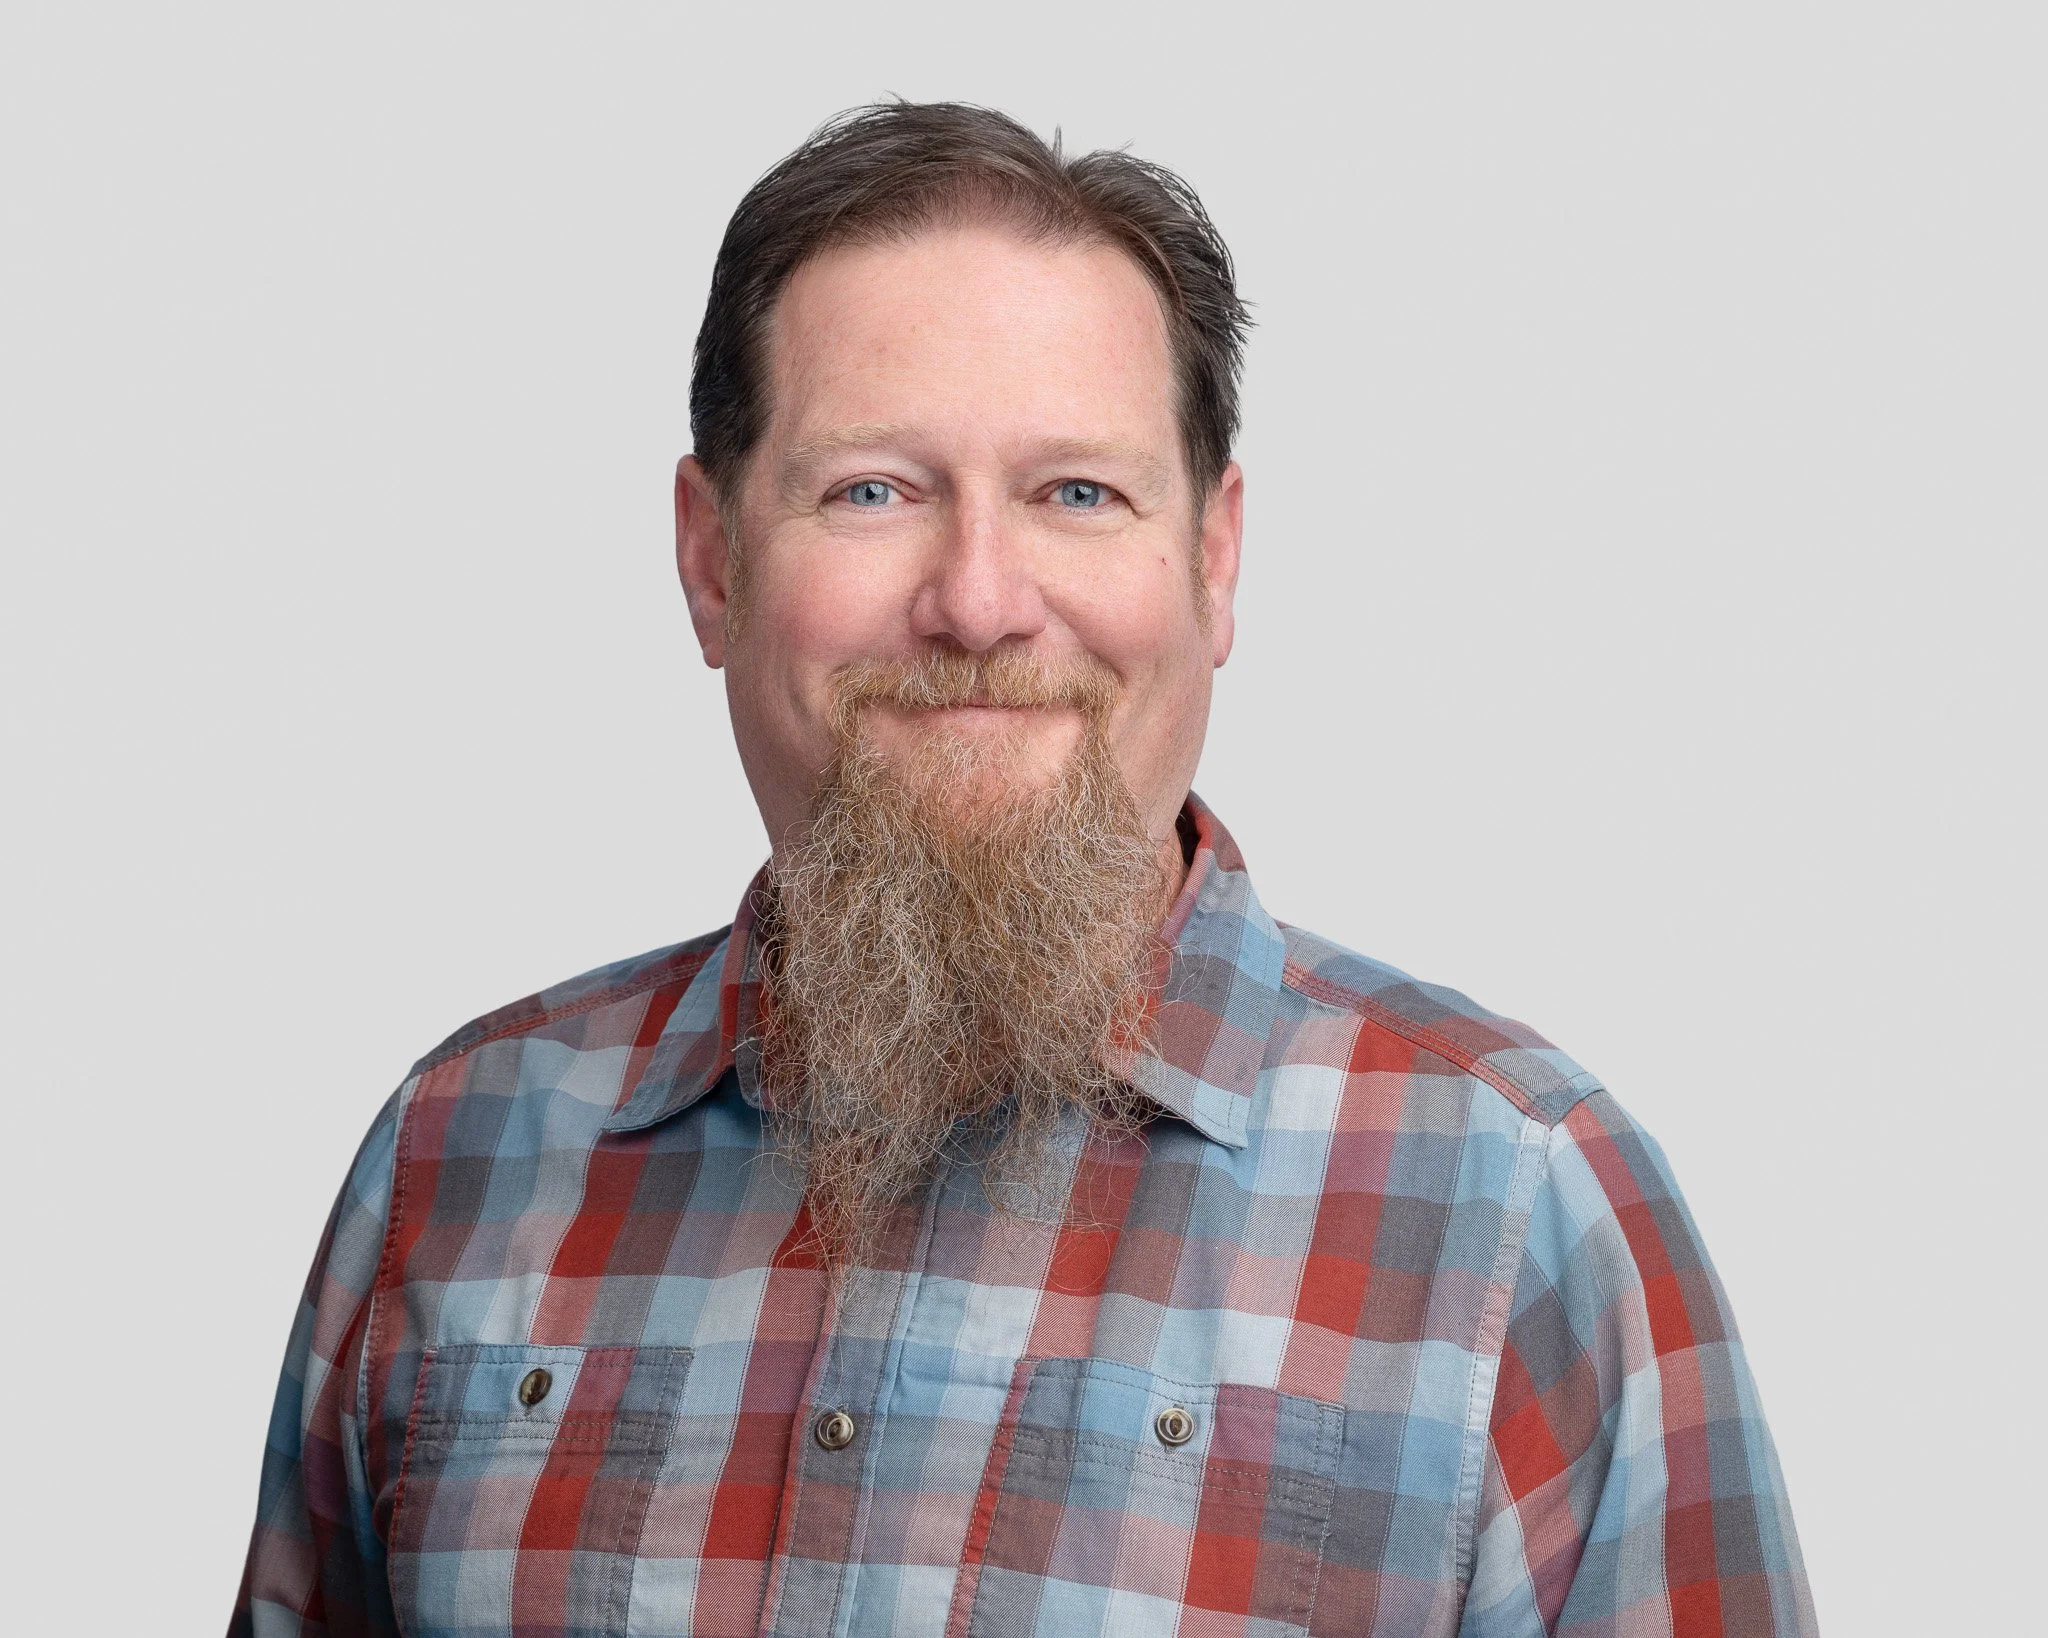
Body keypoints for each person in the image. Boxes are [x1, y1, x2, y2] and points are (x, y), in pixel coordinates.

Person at [231, 101, 1815, 1638]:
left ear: (1213, 561)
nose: (980, 601)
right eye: (874, 489)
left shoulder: (1523, 1211)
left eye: (1078, 493)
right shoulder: (454, 1165)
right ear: (711, 561)